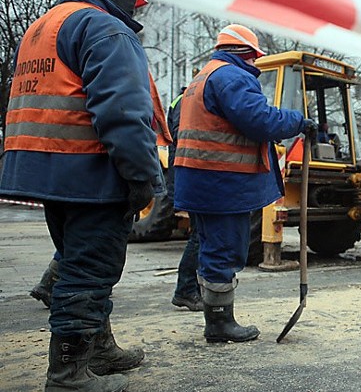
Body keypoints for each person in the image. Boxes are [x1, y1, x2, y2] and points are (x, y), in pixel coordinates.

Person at [0, 0, 164, 392]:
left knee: (77, 260)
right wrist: (141, 176)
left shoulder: (45, 26)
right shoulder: (105, 28)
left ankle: (99, 351)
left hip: (48, 168)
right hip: (91, 171)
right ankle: (69, 375)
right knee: (91, 272)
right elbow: (124, 113)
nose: (136, 11)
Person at [174, 24, 317, 343]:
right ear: (247, 54)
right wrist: (297, 121)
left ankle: (216, 318)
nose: (255, 66)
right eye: (255, 59)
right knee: (225, 249)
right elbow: (260, 120)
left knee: (211, 247)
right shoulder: (232, 77)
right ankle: (220, 324)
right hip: (222, 183)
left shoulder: (203, 77)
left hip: (200, 180)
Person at [29, 74, 172, 310]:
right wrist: (140, 176)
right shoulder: (112, 44)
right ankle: (80, 335)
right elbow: (123, 113)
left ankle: (61, 299)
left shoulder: (53, 51)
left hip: (65, 163)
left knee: (78, 242)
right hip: (101, 165)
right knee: (91, 254)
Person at [167, 87, 203, 311]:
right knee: (201, 235)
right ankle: (186, 290)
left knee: (201, 235)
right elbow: (185, 137)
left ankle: (190, 289)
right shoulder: (186, 102)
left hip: (188, 175)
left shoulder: (183, 100)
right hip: (190, 175)